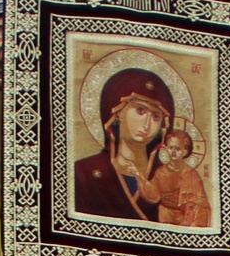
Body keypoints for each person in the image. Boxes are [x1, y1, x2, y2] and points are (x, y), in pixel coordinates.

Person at [73, 69, 174, 222]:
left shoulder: (169, 180)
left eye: (155, 116)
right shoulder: (83, 174)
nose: (147, 124)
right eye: (140, 110)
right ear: (118, 112)